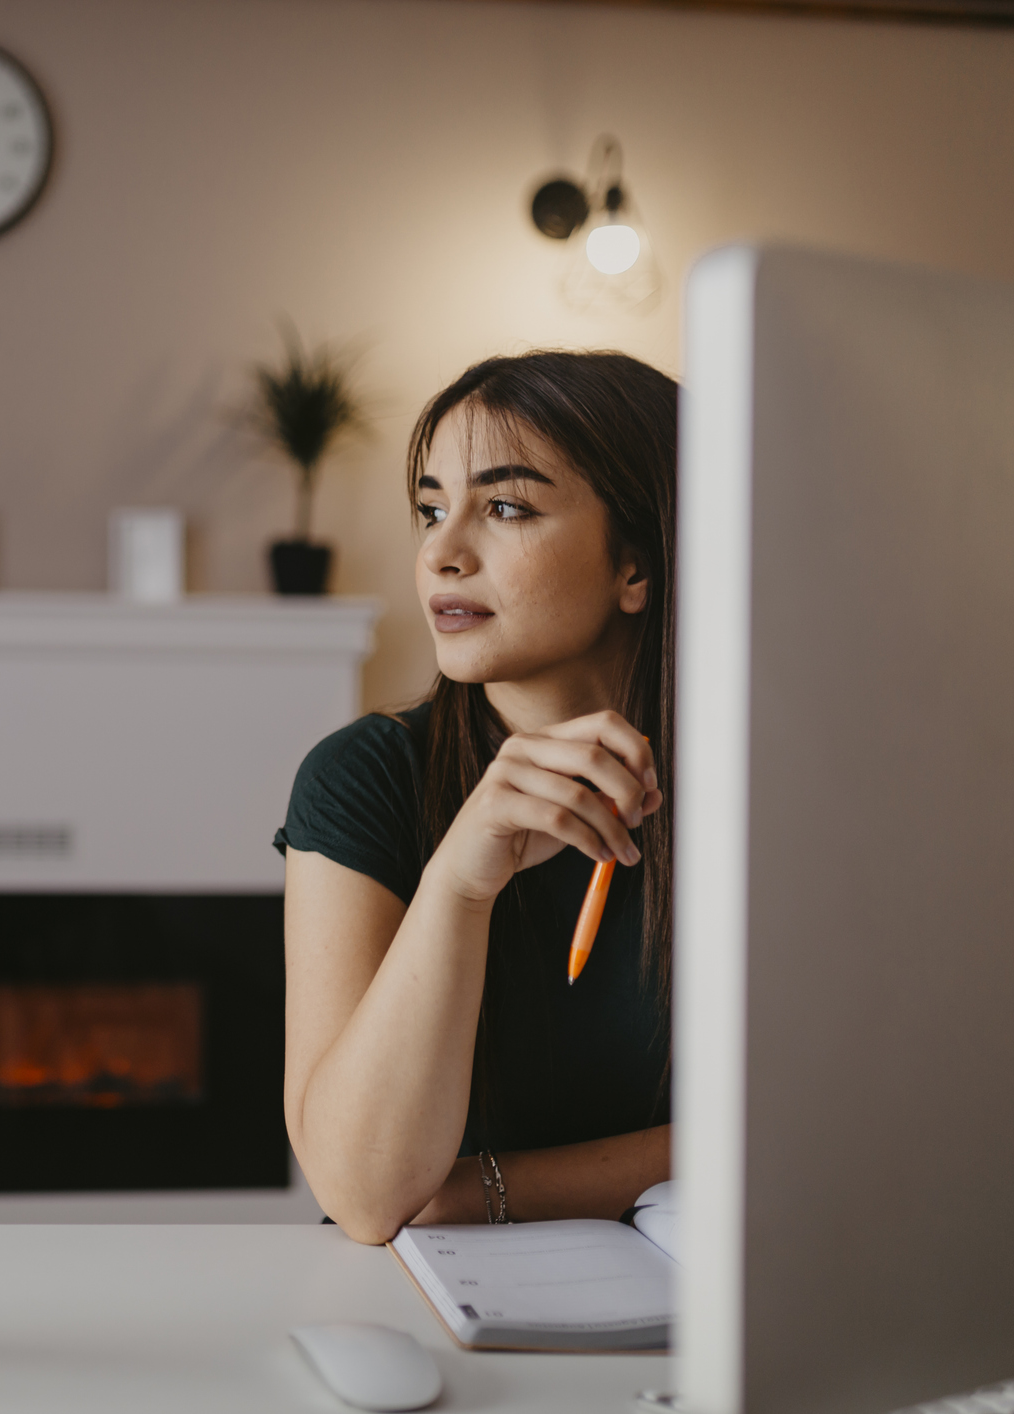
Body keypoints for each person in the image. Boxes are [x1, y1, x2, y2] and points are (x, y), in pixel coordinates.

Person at [278, 350, 675, 1244]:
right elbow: (366, 1196)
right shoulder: (363, 779)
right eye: (429, 509)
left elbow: (842, 1127)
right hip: (443, 1309)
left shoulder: (771, 791)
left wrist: (485, 1190)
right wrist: (458, 881)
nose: (440, 554)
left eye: (504, 507)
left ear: (636, 567)